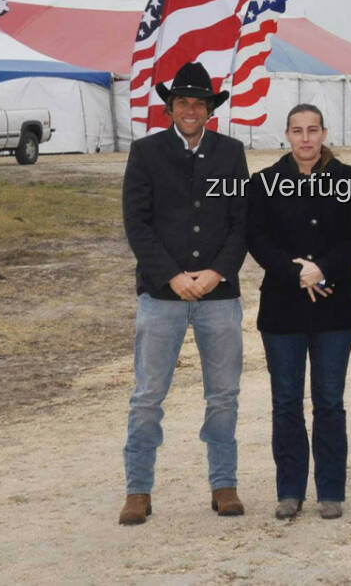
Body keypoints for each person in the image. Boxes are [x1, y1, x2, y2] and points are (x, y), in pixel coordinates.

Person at [119, 62, 249, 525]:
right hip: (161, 293)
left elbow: (241, 221)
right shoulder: (146, 152)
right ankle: (138, 489)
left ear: (210, 110)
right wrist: (173, 276)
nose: (191, 110)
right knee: (148, 395)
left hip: (219, 294)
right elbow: (138, 223)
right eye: (183, 102)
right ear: (170, 108)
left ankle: (223, 483)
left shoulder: (231, 153)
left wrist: (216, 272)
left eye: (199, 103)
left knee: (223, 396)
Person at [246, 104, 351, 521]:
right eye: (297, 130)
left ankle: (331, 490)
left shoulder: (348, 179)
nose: (305, 138)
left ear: (323, 133)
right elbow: (258, 239)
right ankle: (289, 490)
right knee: (285, 402)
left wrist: (323, 269)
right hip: (283, 307)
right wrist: (296, 273)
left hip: (336, 307)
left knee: (330, 401)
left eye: (312, 130)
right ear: (286, 134)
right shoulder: (264, 182)